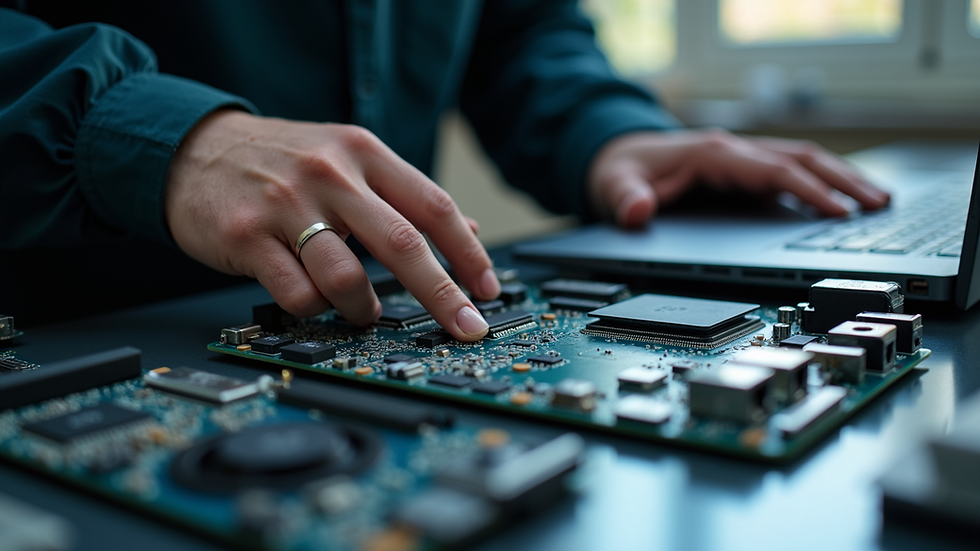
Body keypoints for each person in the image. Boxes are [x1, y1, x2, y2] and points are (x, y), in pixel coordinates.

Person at [0, 1, 888, 337]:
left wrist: (606, 133)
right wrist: (153, 138)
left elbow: (518, 28)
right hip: (75, 326)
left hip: (371, 327)